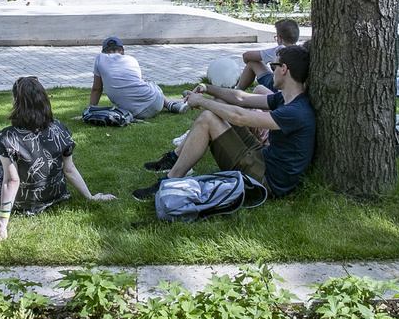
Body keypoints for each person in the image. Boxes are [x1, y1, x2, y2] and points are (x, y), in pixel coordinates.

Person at [134, 44, 315, 200]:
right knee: (219, 105)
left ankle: (169, 182)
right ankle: (175, 158)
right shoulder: (287, 100)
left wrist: (202, 102)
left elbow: (240, 117)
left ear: (283, 69)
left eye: (273, 66)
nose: (271, 70)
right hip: (264, 158)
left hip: (267, 180)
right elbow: (241, 99)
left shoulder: (295, 112)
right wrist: (207, 89)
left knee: (208, 117)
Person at [0, 77, 115, 239]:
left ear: (17, 102)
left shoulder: (8, 136)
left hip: (21, 201)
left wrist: (1, 225)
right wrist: (90, 197)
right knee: (2, 164)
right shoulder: (59, 129)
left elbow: (11, 181)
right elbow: (69, 169)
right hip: (54, 196)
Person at [91, 37, 188, 118]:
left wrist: (90, 110)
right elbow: (137, 85)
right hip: (156, 103)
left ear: (103, 51)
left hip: (132, 112)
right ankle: (175, 103)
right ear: (122, 51)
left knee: (146, 91)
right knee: (151, 88)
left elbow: (96, 89)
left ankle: (177, 102)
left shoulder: (100, 58)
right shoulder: (131, 59)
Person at [236, 18, 301, 92]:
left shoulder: (279, 50)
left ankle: (237, 90)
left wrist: (247, 61)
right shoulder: (301, 50)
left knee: (252, 62)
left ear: (280, 39)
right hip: (294, 89)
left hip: (278, 88)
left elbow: (247, 55)